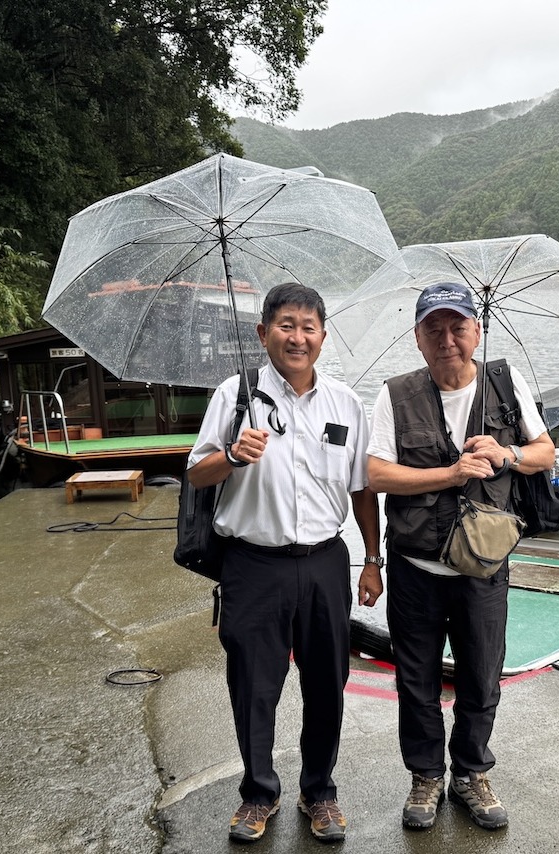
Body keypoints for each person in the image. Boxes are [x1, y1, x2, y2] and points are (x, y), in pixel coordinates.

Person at [187, 282, 383, 844]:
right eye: (286, 325)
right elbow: (196, 472)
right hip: (252, 565)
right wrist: (231, 455)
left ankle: (319, 791)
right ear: (263, 333)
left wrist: (373, 559)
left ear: (322, 335)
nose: (298, 337)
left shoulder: (345, 402)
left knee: (328, 681)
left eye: (308, 327)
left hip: (325, 562)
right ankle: (258, 793)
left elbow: (362, 489)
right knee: (254, 684)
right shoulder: (234, 394)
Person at [366, 281, 555, 831]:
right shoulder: (395, 394)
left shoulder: (504, 381)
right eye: (434, 328)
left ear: (477, 330)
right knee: (415, 680)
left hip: (484, 570)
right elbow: (376, 474)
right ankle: (426, 775)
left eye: (457, 326)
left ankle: (470, 772)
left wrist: (507, 452)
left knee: (481, 677)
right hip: (416, 571)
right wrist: (449, 473)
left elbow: (545, 454)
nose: (447, 338)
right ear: (419, 338)